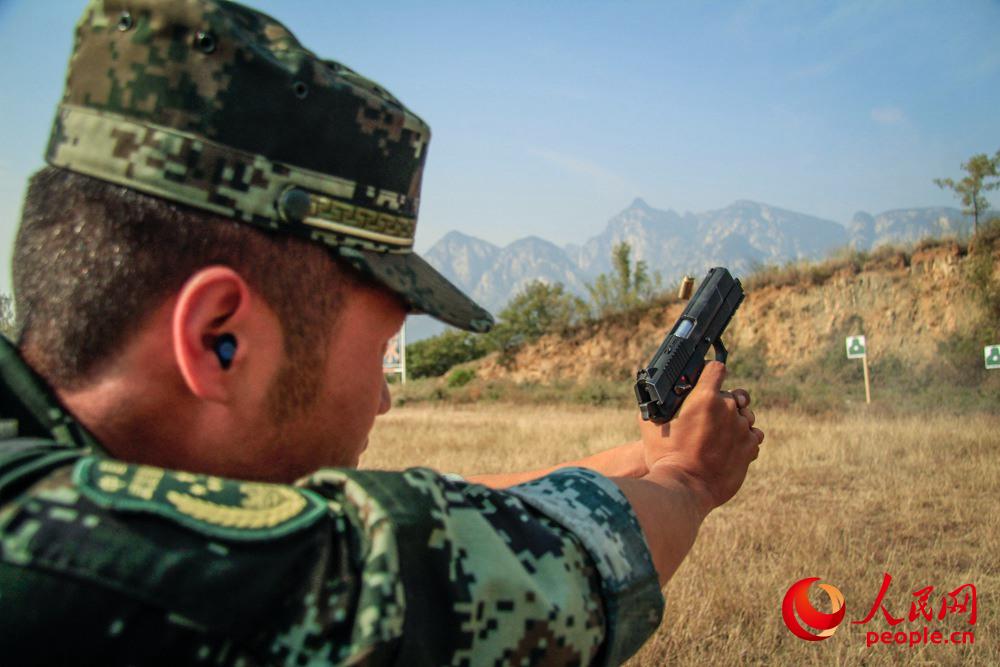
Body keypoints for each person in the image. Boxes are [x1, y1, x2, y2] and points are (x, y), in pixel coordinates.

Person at [0, 0, 763, 664]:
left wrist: (651, 457)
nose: (383, 397)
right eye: (378, 349)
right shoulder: (49, 556)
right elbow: (435, 576)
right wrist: (688, 483)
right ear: (216, 340)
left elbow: (432, 508)